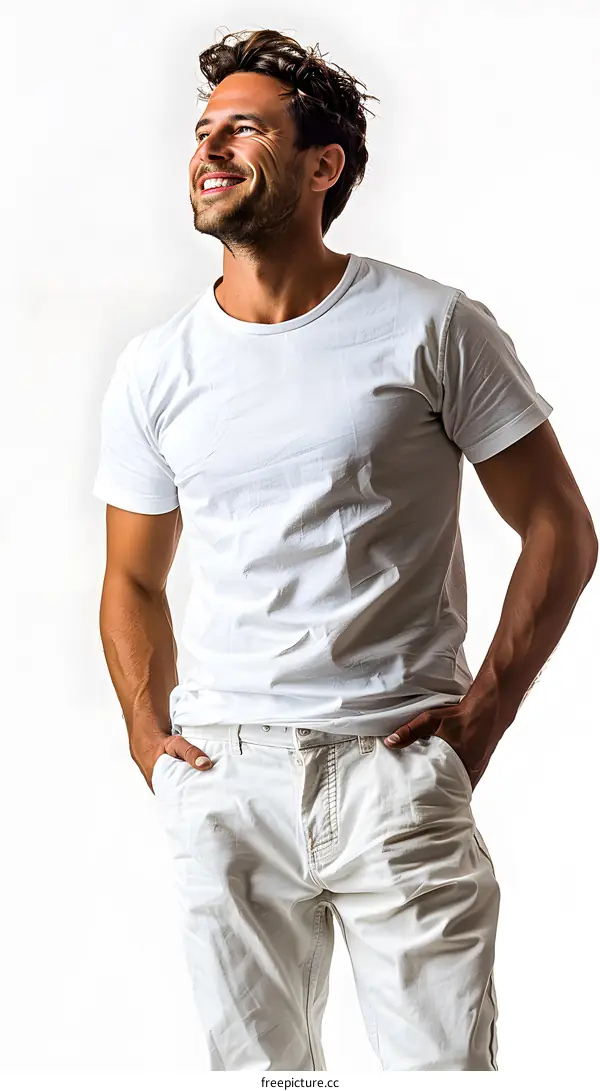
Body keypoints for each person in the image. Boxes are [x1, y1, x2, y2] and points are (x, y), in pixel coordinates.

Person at [92, 28, 597, 1072]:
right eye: (202, 131)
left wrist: (482, 717)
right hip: (226, 775)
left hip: (394, 770)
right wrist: (153, 741)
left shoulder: (432, 325)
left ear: (324, 165)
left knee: (440, 1077)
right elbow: (131, 576)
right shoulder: (157, 369)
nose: (212, 150)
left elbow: (560, 526)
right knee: (267, 1081)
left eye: (245, 128)